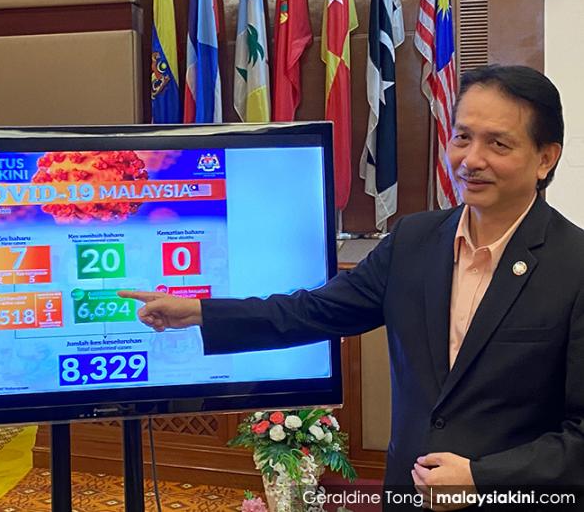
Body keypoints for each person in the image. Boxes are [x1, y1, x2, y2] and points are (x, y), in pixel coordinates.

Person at [121, 65, 584, 510]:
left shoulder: (574, 266)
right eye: (463, 137)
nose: (472, 159)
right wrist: (199, 312)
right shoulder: (414, 241)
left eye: (498, 144)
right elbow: (312, 311)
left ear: (546, 158)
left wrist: (484, 481)